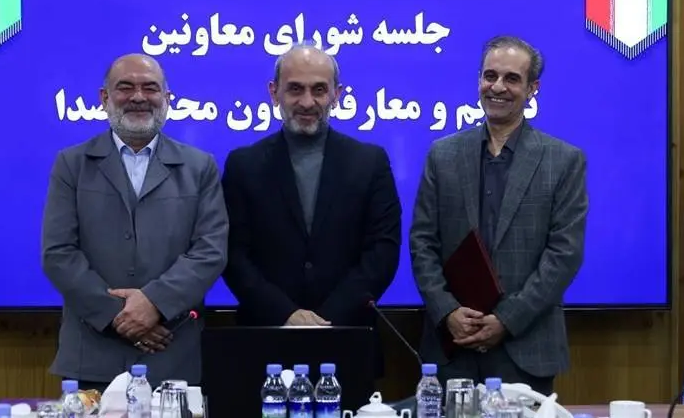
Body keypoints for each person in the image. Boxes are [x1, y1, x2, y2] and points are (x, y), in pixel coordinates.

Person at [409, 36, 587, 395]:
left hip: (525, 349)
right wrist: (448, 311)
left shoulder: (564, 161)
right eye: (490, 76)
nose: (498, 87)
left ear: (532, 89)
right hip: (452, 347)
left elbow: (564, 255)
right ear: (479, 80)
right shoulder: (442, 155)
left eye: (512, 79)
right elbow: (422, 243)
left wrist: (507, 319)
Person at [41, 53, 229, 392]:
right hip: (92, 356)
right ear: (104, 98)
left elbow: (210, 252)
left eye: (150, 88)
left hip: (173, 353)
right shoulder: (72, 164)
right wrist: (120, 315)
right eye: (125, 87)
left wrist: (154, 304)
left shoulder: (200, 167)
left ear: (167, 98)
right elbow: (58, 254)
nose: (138, 97)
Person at [221, 43, 402, 374]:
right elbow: (234, 256)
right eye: (295, 89)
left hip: (348, 339)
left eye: (319, 90)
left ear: (337, 94)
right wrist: (286, 314)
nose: (307, 102)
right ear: (274, 92)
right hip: (264, 340)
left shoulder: (370, 162)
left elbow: (382, 254)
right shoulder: (243, 165)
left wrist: (324, 319)